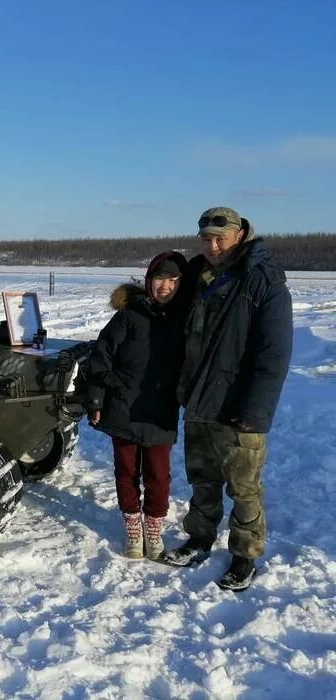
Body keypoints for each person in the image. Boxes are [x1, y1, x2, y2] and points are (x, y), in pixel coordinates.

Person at [162, 207, 293, 592]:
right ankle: (200, 537)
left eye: (220, 238)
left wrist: (256, 411)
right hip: (199, 398)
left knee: (243, 486)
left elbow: (273, 354)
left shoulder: (262, 280)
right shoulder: (195, 275)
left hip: (238, 406)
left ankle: (244, 555)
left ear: (239, 234)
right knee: (202, 478)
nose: (213, 245)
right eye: (206, 238)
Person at [85, 251, 187, 560]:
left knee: (158, 475)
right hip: (123, 409)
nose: (165, 287)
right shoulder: (129, 316)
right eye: (159, 279)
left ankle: (153, 529)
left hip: (159, 413)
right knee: (126, 472)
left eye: (172, 281)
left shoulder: (185, 319)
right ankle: (132, 526)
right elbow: (100, 358)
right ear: (148, 281)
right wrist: (98, 397)